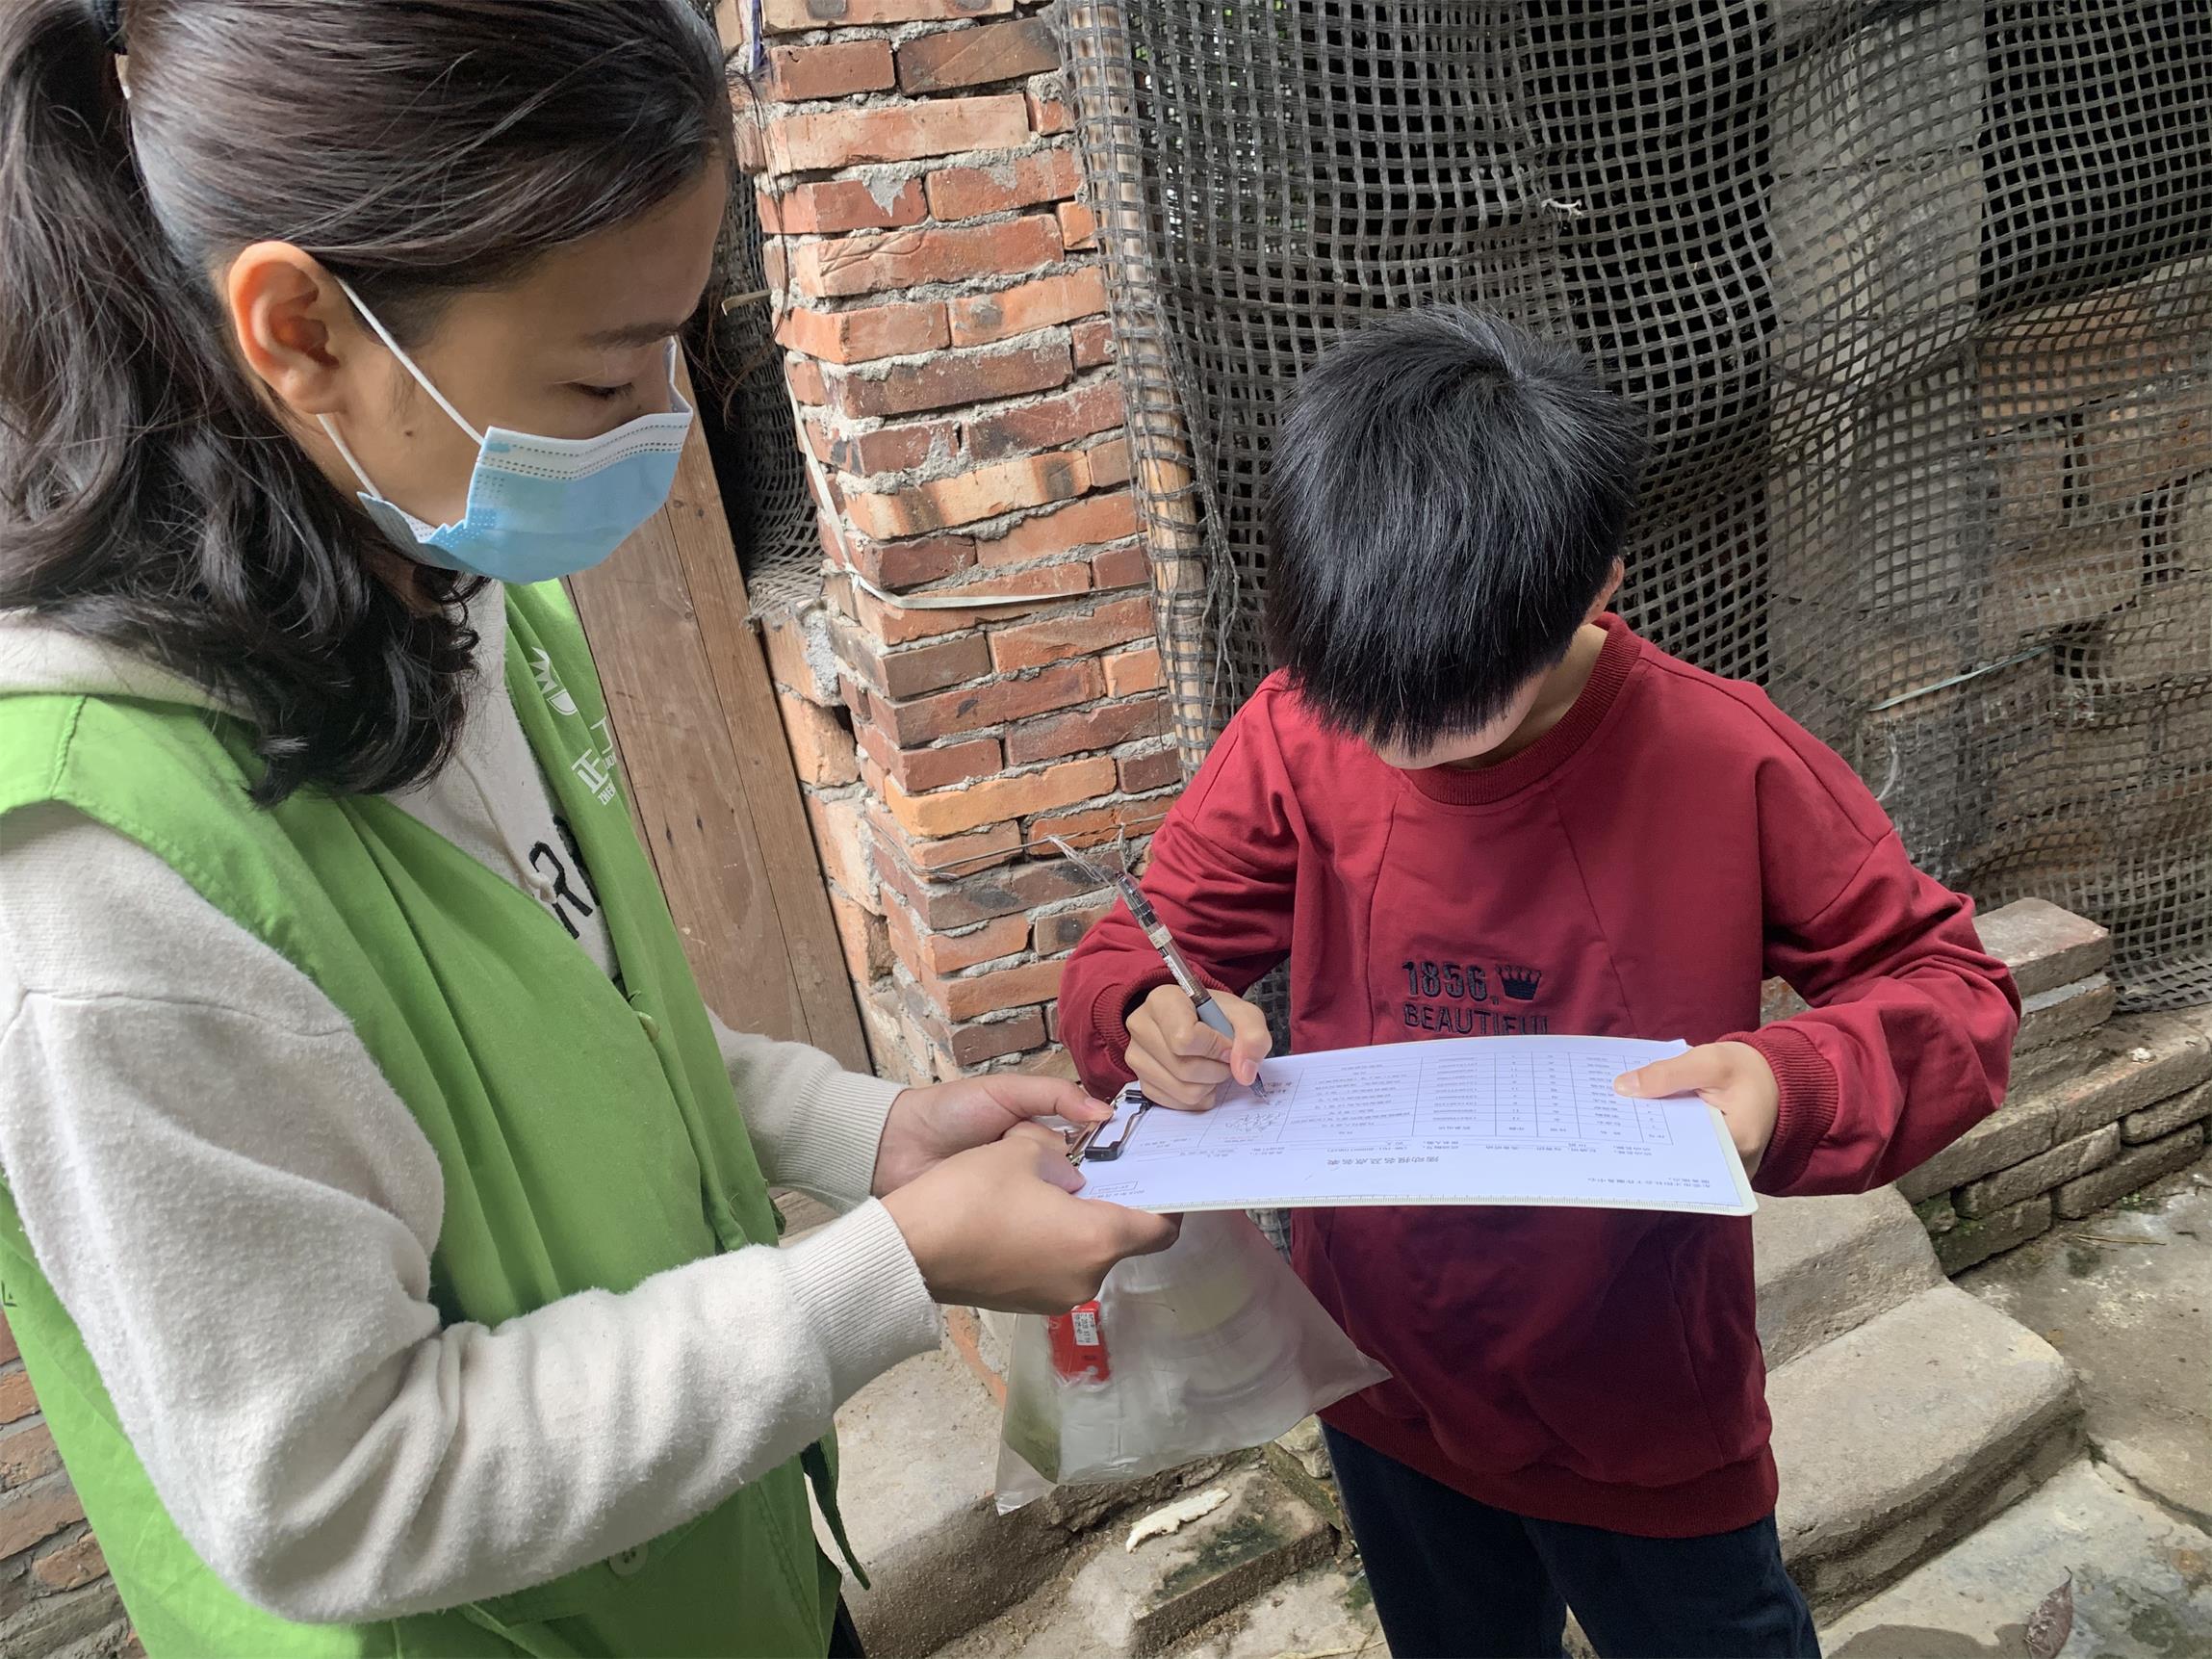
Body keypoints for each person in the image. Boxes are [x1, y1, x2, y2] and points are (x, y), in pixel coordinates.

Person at [0, 2, 1177, 1653]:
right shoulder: (96, 892)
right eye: (603, 367)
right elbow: (330, 1487)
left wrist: (854, 1135)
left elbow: (566, 1036)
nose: (663, 420)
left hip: (724, 1569)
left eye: (677, 349)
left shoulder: (445, 599)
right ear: (301, 327)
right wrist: (878, 1274)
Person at [1058, 307, 2022, 1659]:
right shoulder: (1292, 726)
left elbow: (1955, 993)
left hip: (1639, 1411)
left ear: (1592, 591)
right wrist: (1139, 1013)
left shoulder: (1723, 759)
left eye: (1449, 718)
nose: (1395, 748)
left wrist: (1784, 1078)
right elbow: (1143, 935)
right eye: (1362, 708)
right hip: (1380, 1382)